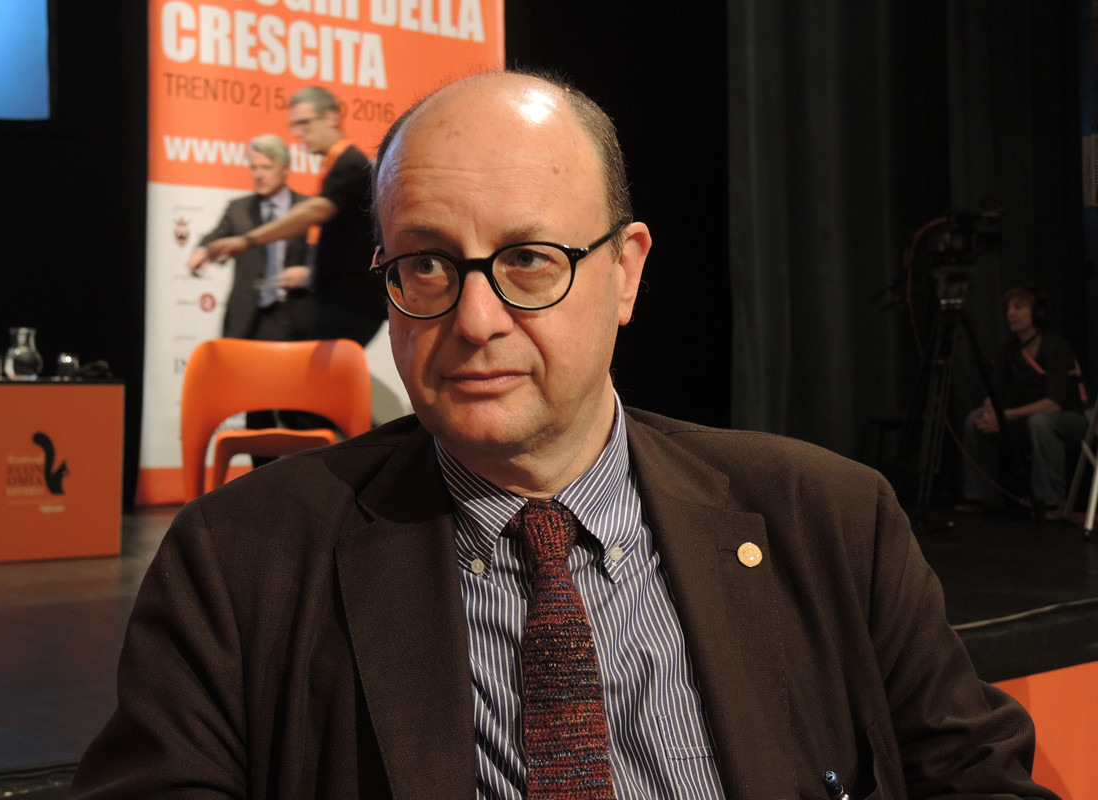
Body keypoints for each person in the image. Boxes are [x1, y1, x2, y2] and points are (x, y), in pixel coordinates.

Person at [71, 71, 1059, 799]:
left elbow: (976, 778)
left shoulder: (831, 519)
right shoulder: (240, 562)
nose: (475, 320)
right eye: (425, 264)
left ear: (625, 271)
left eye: (529, 260)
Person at [205, 86, 386, 347]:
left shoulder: (350, 163)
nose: (298, 133)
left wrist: (247, 240)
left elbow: (314, 210)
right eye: (295, 125)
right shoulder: (338, 164)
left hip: (351, 303)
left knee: (317, 372)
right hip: (340, 301)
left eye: (305, 123)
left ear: (331, 118)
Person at [958, 285, 1089, 519]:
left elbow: (1053, 404)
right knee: (974, 420)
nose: (1011, 313)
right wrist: (989, 412)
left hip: (1071, 420)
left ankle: (1050, 502)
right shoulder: (1010, 348)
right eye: (1009, 309)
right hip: (1028, 419)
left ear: (1037, 314)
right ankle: (983, 497)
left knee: (1041, 421)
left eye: (1018, 308)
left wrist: (1003, 416)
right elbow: (996, 392)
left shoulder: (1054, 345)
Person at [191, 134, 314, 342]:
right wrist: (202, 251)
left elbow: (324, 257)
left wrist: (308, 274)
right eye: (254, 168)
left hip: (294, 318)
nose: (258, 175)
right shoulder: (238, 209)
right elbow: (215, 236)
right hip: (246, 320)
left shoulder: (308, 208)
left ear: (285, 169)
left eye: (266, 167)